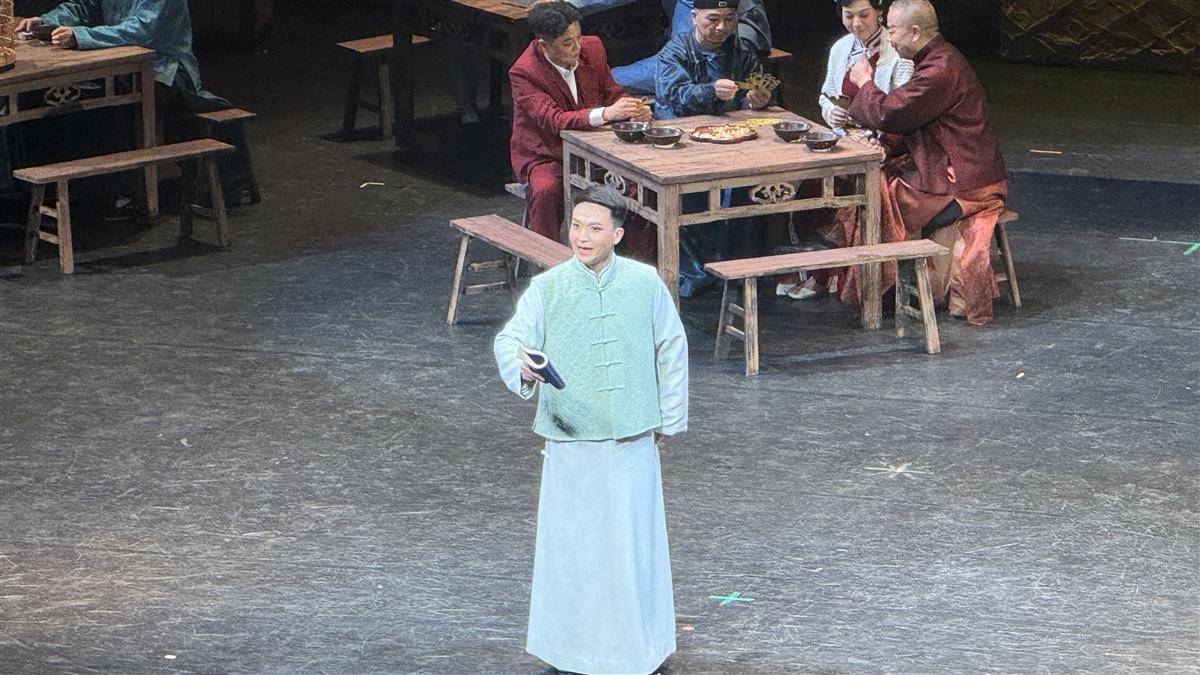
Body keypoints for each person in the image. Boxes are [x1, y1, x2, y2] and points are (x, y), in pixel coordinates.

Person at [494, 185, 688, 675]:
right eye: (576, 226)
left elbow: (671, 346)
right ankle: (572, 650)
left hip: (630, 436)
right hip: (571, 436)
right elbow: (511, 339)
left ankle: (638, 649)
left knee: (632, 545)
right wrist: (522, 365)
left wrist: (668, 416)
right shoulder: (549, 287)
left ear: (617, 235)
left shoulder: (644, 283)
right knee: (573, 547)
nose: (581, 236)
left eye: (594, 228)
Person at [846, 0, 1007, 325]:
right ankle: (882, 283)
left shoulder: (939, 70)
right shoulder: (936, 59)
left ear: (915, 32)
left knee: (877, 195)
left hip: (965, 183)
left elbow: (891, 113)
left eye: (893, 30)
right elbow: (911, 117)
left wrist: (865, 82)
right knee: (876, 183)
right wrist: (885, 144)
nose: (889, 37)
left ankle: (881, 286)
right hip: (957, 170)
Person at [779, 0, 912, 301]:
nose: (856, 23)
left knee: (849, 197)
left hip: (883, 146)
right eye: (848, 16)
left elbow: (899, 111)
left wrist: (876, 135)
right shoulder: (841, 48)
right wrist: (831, 113)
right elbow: (826, 95)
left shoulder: (896, 53)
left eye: (864, 15)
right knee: (811, 190)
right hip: (844, 142)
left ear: (879, 13)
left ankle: (830, 276)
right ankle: (810, 269)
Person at [510, 1, 650, 241]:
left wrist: (632, 109)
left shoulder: (592, 48)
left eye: (578, 38)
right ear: (544, 45)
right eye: (567, 43)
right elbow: (555, 120)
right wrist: (607, 114)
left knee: (639, 190)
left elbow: (612, 93)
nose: (577, 47)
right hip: (548, 153)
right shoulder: (525, 72)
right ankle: (546, 259)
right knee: (546, 191)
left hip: (596, 151)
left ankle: (632, 259)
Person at [612, 0, 770, 95]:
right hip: (696, 38)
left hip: (733, 40)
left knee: (617, 80)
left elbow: (680, 60)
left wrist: (607, 78)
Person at [653, 0, 771, 120]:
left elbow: (747, 95)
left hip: (730, 125)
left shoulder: (743, 52)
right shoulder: (675, 52)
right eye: (713, 19)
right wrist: (711, 91)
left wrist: (755, 102)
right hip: (681, 124)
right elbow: (673, 98)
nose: (721, 27)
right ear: (694, 17)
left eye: (729, 19)